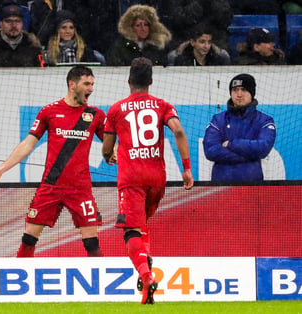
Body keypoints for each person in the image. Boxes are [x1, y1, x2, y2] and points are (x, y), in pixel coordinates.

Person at [0, 65, 107, 258]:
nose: (91, 88)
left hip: (80, 188)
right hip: (51, 186)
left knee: (92, 243)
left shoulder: (96, 115)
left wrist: (113, 152)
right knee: (29, 239)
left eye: (92, 84)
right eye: (86, 84)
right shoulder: (49, 112)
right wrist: (2, 168)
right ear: (72, 85)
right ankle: (17, 283)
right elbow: (28, 143)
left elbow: (110, 142)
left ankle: (102, 286)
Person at [102, 57, 194, 304]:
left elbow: (106, 147)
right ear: (151, 81)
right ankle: (146, 277)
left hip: (132, 178)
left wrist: (108, 154)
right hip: (157, 177)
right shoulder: (162, 105)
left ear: (128, 81)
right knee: (142, 226)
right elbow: (179, 131)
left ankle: (147, 275)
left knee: (131, 230)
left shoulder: (116, 109)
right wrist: (186, 169)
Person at [203, 74, 276, 181]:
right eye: (235, 90)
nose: (239, 94)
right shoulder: (218, 120)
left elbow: (263, 148)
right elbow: (210, 151)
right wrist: (250, 155)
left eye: (244, 90)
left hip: (252, 187)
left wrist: (231, 144)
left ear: (252, 93)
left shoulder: (264, 120)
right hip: (220, 189)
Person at [0, 2, 42, 67]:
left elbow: (41, 72)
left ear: (22, 24)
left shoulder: (33, 47)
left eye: (17, 21)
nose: (13, 25)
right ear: (1, 24)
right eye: (9, 21)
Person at [106, 4, 171, 66]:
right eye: (138, 25)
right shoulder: (120, 47)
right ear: (130, 28)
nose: (143, 29)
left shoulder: (157, 47)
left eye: (146, 25)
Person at [165, 0, 233, 51]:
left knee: (223, 55)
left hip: (215, 40)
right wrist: (199, 3)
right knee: (175, 56)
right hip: (185, 39)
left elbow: (226, 20)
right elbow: (177, 20)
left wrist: (212, 3)